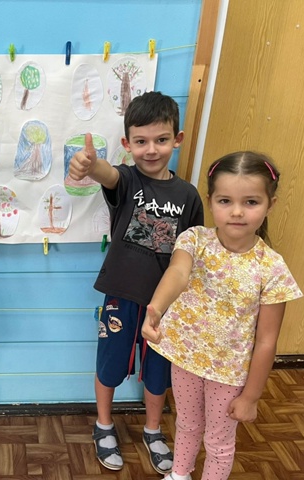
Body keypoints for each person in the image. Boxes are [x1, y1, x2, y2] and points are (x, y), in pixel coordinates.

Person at [142, 151, 303, 480]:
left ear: (270, 204)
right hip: (185, 358)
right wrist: (156, 307)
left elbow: (267, 340)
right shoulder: (194, 239)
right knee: (187, 424)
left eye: (251, 202)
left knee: (218, 442)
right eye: (225, 200)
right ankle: (179, 474)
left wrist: (251, 396)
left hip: (228, 373)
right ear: (211, 201)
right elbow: (178, 273)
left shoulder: (272, 268)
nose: (237, 212)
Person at [69, 91, 204, 474]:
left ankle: (153, 429)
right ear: (127, 144)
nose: (151, 149)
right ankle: (103, 424)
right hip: (122, 296)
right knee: (110, 362)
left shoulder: (189, 196)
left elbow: (193, 251)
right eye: (141, 141)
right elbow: (107, 174)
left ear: (177, 139)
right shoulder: (126, 180)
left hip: (167, 304)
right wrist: (90, 165)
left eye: (161, 139)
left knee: (159, 372)